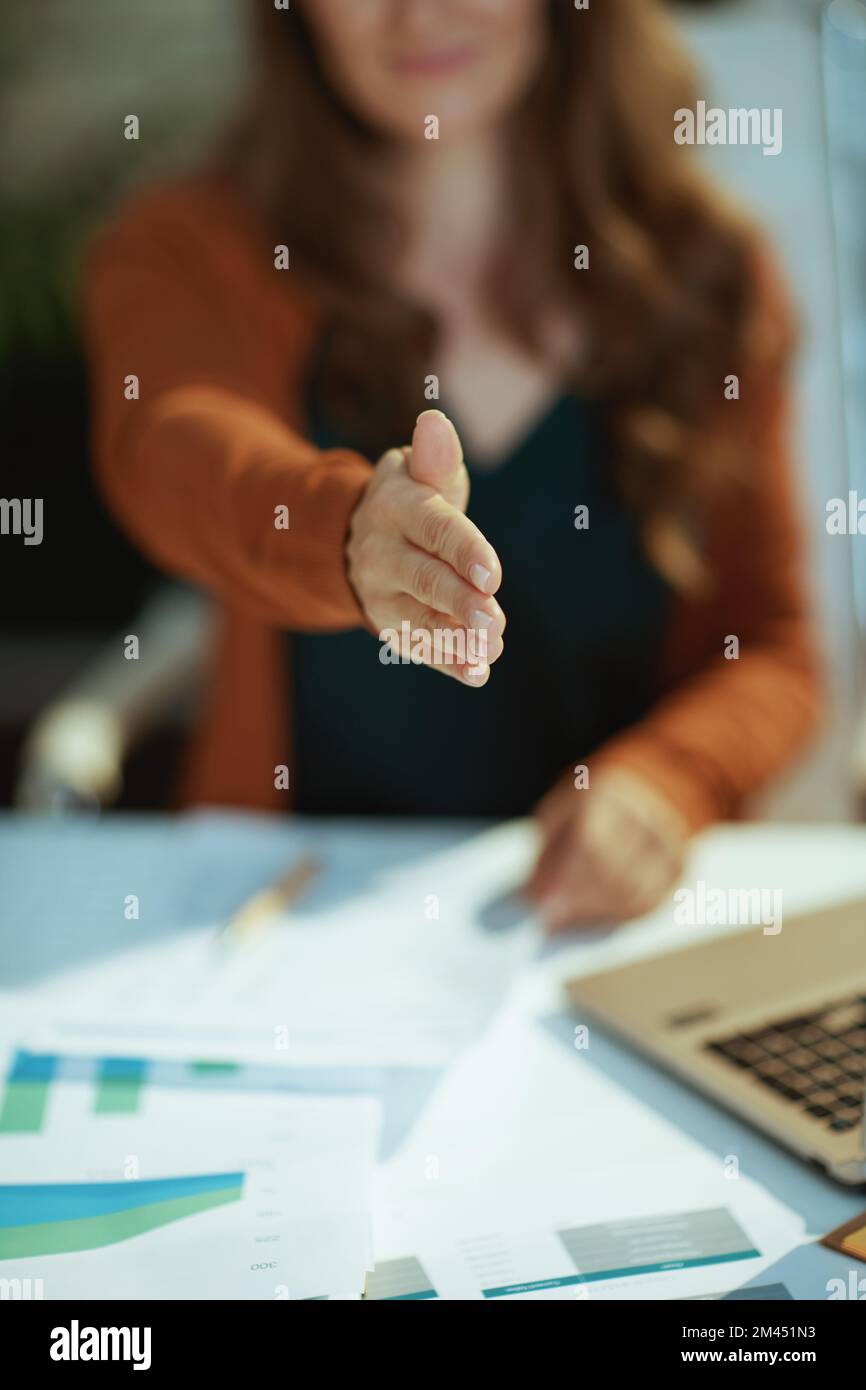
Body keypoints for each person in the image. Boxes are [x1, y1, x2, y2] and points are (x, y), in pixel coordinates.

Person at [84, 0, 822, 929]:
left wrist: (667, 781)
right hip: (293, 923)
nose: (420, 13)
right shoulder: (192, 246)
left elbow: (769, 646)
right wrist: (346, 532)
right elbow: (170, 448)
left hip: (584, 938)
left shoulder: (710, 276)